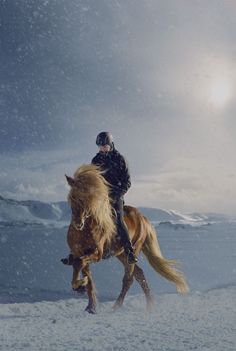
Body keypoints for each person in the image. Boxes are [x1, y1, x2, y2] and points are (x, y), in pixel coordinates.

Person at [91, 131, 138, 264]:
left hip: (116, 196)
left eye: (104, 145)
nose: (102, 148)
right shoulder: (95, 160)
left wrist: (116, 194)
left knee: (117, 220)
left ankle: (129, 251)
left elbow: (127, 182)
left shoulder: (120, 159)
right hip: (99, 197)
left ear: (111, 144)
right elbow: (93, 180)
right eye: (100, 146)